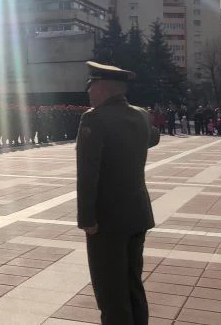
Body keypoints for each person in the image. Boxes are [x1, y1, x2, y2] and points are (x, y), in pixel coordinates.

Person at [77, 61, 160, 325]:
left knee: (111, 293)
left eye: (91, 87)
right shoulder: (141, 115)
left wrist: (86, 218)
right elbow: (153, 138)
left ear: (102, 88)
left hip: (107, 220)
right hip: (138, 214)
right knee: (132, 283)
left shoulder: (94, 119)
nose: (88, 93)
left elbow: (88, 174)